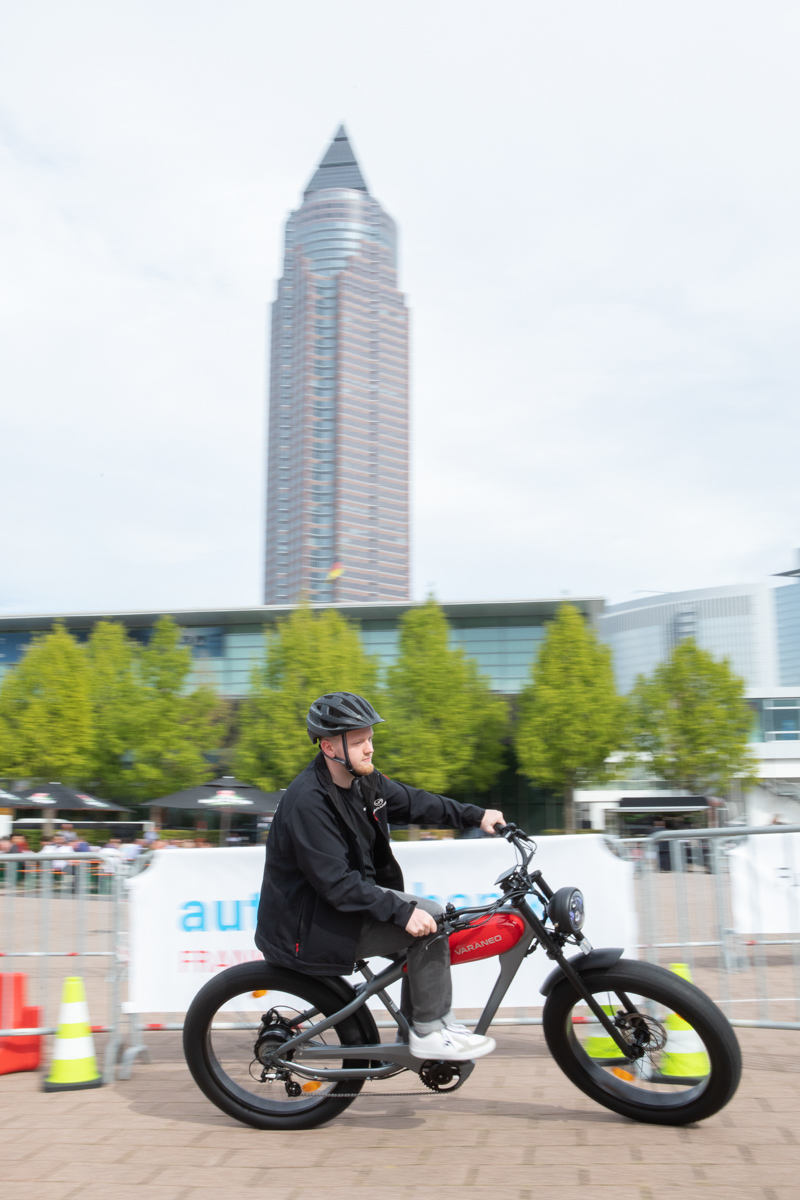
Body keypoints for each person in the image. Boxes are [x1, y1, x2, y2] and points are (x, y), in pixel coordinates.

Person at [255, 692, 506, 1063]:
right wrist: (400, 912)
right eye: (358, 742)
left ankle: (430, 1023)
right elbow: (336, 882)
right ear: (328, 746)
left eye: (370, 738)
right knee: (429, 919)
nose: (369, 748)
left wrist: (476, 815)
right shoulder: (309, 801)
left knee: (435, 920)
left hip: (340, 908)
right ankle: (427, 1031)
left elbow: (417, 802)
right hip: (309, 926)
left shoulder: (363, 781)